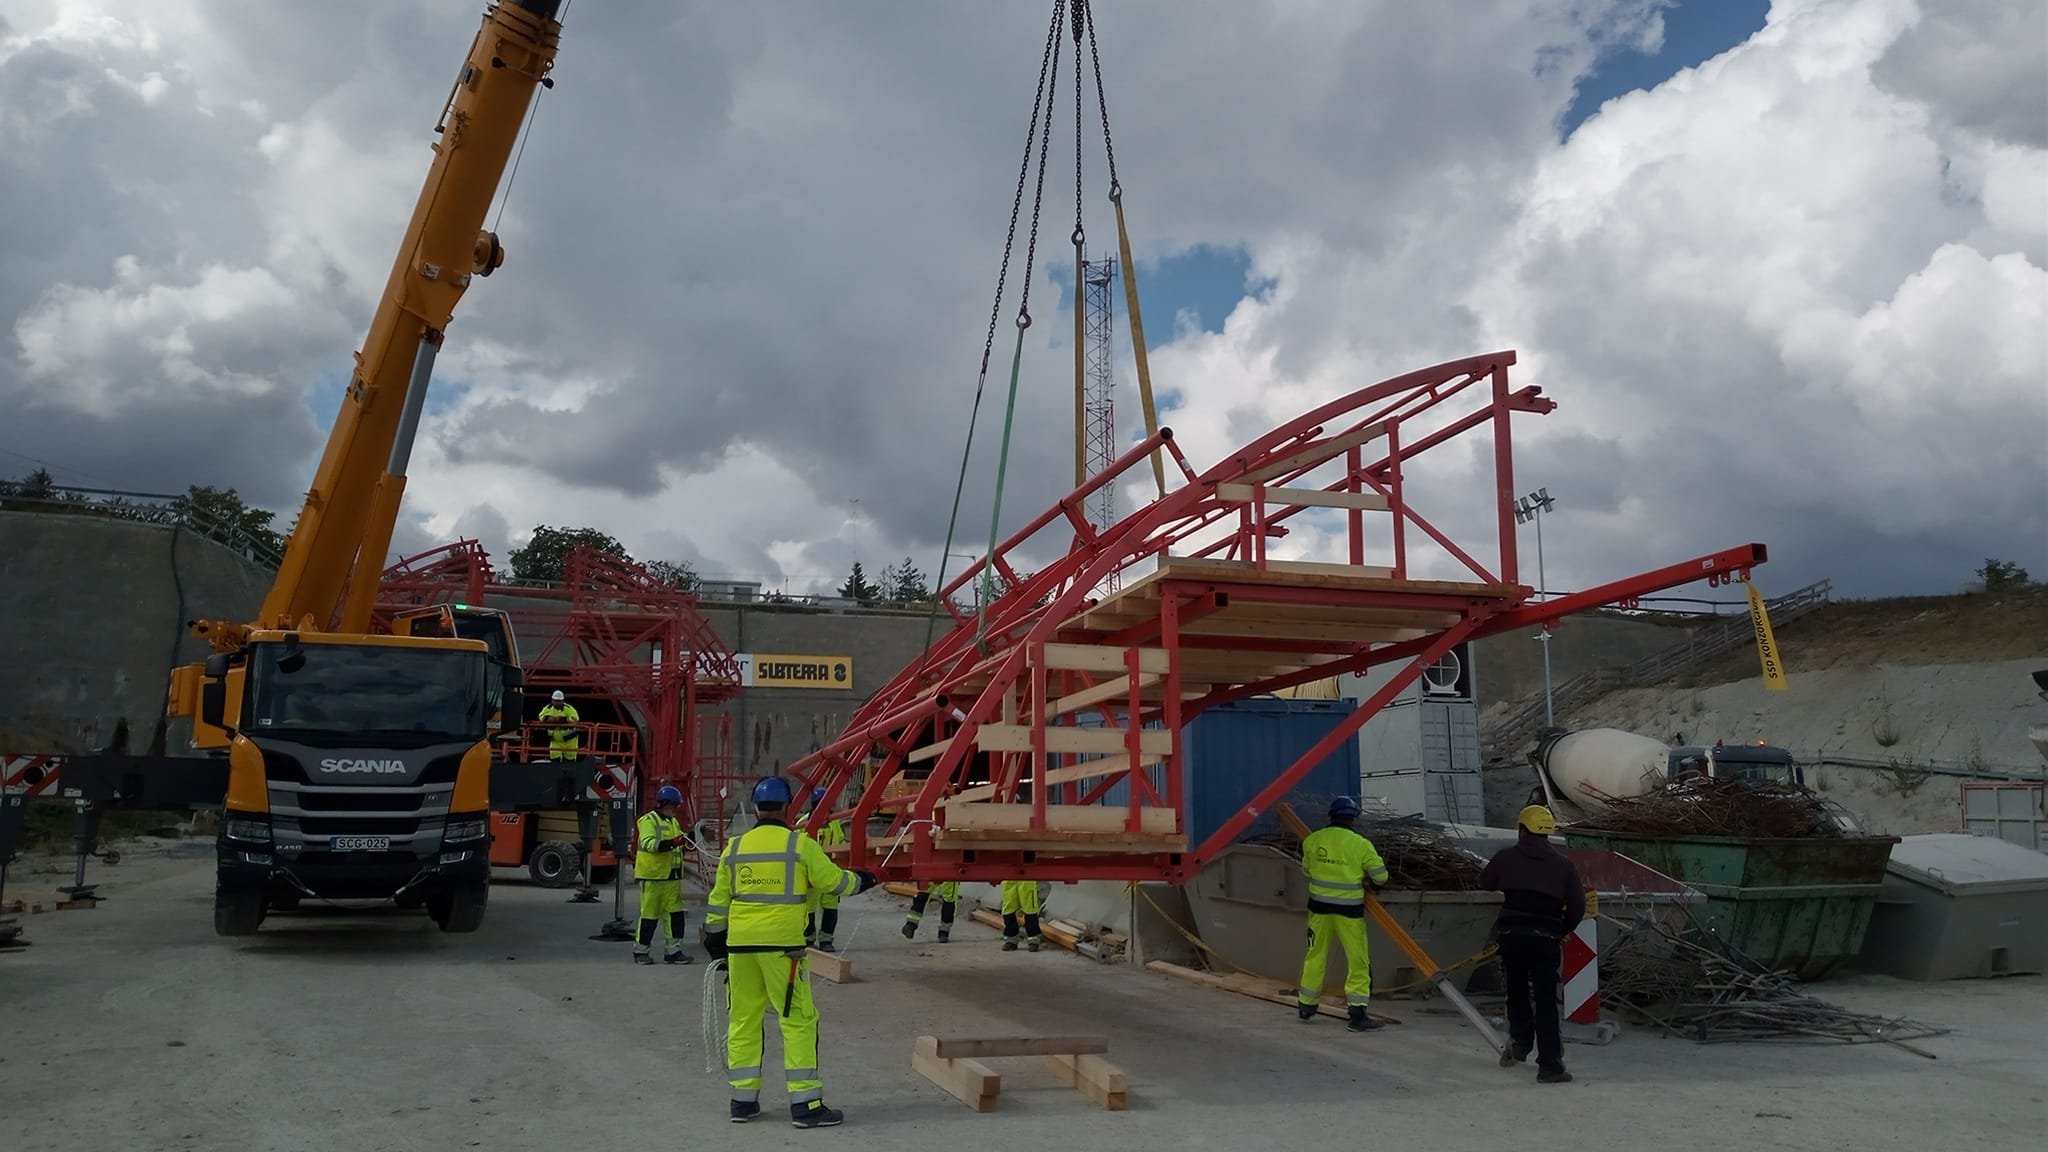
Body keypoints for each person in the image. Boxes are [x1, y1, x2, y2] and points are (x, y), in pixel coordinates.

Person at [704, 776, 879, 1129]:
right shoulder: (800, 845)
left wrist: (715, 941)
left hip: (740, 949)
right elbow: (833, 882)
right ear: (787, 808)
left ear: (755, 807)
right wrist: (864, 879)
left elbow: (717, 904)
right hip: (782, 950)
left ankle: (742, 1101)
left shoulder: (734, 848)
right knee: (797, 1021)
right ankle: (806, 1105)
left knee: (742, 1020)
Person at [1480, 804, 1586, 1084]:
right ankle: (1550, 1066)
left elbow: (1486, 882)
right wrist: (1561, 929)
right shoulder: (1564, 865)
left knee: (1516, 992)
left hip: (1512, 938)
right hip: (1545, 940)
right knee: (1546, 1001)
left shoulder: (1506, 858)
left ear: (1522, 830)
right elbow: (1577, 906)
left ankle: (1520, 1044)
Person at [1297, 795, 1390, 1032]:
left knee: (1315, 955)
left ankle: (1306, 1006)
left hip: (1318, 909)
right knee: (1357, 961)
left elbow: (1307, 869)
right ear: (1353, 818)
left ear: (1331, 815)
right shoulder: (1361, 844)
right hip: (1349, 913)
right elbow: (1381, 877)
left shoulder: (1312, 840)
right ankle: (1357, 1016)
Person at [632, 785, 693, 965]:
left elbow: (681, 842)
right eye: (674, 805)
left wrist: (691, 839)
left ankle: (673, 952)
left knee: (675, 917)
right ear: (664, 803)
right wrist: (674, 842)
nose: (676, 809)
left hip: (672, 878)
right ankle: (641, 951)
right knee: (649, 916)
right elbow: (650, 843)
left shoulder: (673, 822)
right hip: (654, 877)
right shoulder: (648, 820)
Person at [802, 787, 848, 952]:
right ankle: (808, 939)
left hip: (830, 872)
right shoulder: (804, 822)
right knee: (809, 909)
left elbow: (841, 841)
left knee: (830, 908)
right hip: (810, 875)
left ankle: (826, 940)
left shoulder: (834, 821)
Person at [999, 878, 1041, 951]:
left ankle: (1033, 939)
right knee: (1008, 908)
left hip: (1027, 876)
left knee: (1029, 908)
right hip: (1009, 877)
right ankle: (1011, 939)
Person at [538, 689, 580, 760]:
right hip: (555, 740)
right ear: (552, 700)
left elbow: (576, 720)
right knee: (554, 762)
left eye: (559, 701)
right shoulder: (548, 708)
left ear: (563, 701)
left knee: (570, 763)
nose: (557, 703)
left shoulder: (569, 709)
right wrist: (548, 719)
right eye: (556, 701)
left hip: (569, 740)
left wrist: (564, 719)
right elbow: (541, 717)